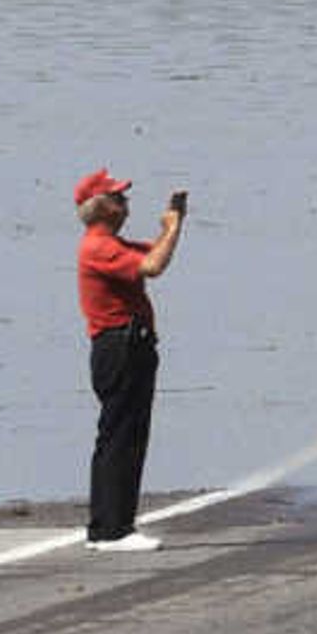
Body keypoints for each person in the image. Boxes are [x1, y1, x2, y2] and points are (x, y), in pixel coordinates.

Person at [73, 168, 185, 550]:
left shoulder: (112, 244)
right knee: (119, 436)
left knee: (128, 435)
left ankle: (115, 524)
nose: (125, 203)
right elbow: (153, 266)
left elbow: (151, 254)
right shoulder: (98, 246)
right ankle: (110, 529)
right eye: (118, 198)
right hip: (118, 346)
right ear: (101, 207)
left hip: (127, 345)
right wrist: (171, 228)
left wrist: (174, 223)